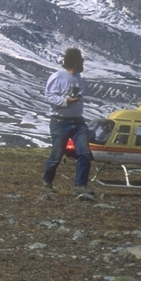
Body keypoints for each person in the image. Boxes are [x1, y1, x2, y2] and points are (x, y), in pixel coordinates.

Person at [42, 48, 93, 199]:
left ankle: (80, 185)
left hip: (78, 121)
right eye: (81, 60)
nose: (83, 63)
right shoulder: (58, 77)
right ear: (75, 62)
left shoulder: (78, 77)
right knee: (57, 155)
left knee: (84, 152)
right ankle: (47, 181)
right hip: (60, 121)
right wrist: (66, 102)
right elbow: (49, 96)